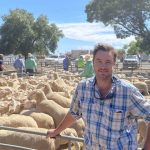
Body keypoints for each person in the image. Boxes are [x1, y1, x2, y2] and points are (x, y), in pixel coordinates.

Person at [47, 44, 150, 149]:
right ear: (93, 62)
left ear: (114, 64)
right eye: (99, 61)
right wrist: (57, 131)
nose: (103, 66)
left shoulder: (127, 91)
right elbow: (74, 112)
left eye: (108, 62)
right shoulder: (83, 88)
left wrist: (147, 147)